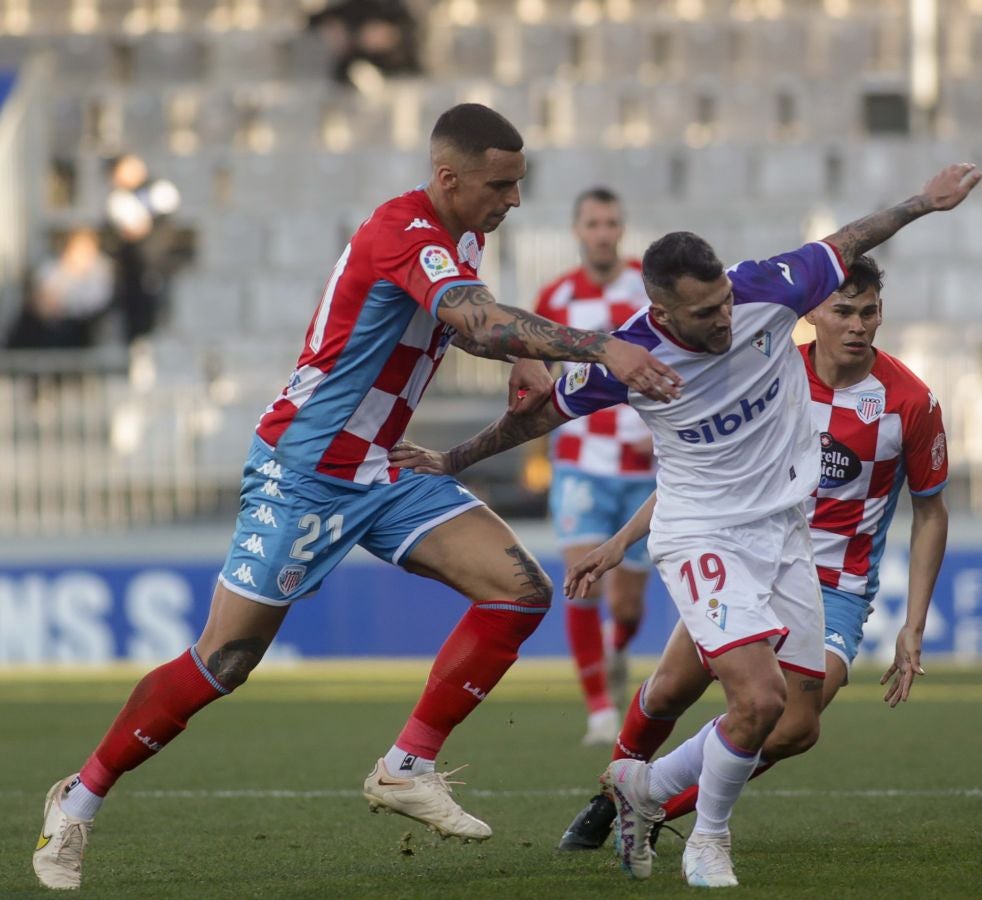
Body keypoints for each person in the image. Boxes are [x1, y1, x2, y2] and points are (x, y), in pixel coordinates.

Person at [31, 102, 681, 892]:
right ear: (448, 178)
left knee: (518, 591)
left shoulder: (464, 232)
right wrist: (591, 345)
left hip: (384, 465)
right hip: (305, 468)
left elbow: (472, 315)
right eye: (501, 185)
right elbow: (471, 317)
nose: (515, 201)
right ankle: (80, 798)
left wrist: (527, 363)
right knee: (227, 659)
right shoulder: (400, 230)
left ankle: (408, 765)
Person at [389, 163, 981, 887]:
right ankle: (707, 841)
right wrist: (455, 457)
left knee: (788, 720)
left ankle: (639, 786)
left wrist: (926, 201)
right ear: (664, 314)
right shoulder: (631, 355)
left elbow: (852, 236)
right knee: (757, 699)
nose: (726, 321)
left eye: (726, 304)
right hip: (701, 533)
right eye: (706, 315)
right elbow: (539, 413)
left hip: (786, 535)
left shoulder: (768, 288)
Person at [554, 254, 950, 853]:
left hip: (836, 586)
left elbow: (931, 513)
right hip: (742, 551)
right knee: (666, 693)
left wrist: (912, 626)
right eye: (843, 311)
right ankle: (609, 800)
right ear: (813, 310)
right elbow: (701, 475)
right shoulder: (764, 368)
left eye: (870, 312)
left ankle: (653, 807)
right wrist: (619, 543)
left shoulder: (910, 403)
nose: (858, 326)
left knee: (793, 726)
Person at [534, 187, 657, 745]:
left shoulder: (648, 292)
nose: (603, 233)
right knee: (581, 581)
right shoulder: (555, 298)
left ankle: (616, 648)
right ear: (577, 230)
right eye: (593, 223)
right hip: (581, 464)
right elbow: (532, 377)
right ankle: (600, 711)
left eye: (611, 222)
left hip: (643, 468)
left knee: (627, 605)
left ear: (621, 229)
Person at [104, 154, 181, 343]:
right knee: (136, 322)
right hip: (133, 272)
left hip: (159, 267)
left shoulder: (159, 188)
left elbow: (162, 210)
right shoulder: (119, 199)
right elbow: (134, 227)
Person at [5, 228, 113, 351]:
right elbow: (40, 297)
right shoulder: (53, 268)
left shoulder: (101, 271)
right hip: (49, 325)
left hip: (80, 329)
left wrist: (63, 306)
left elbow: (96, 303)